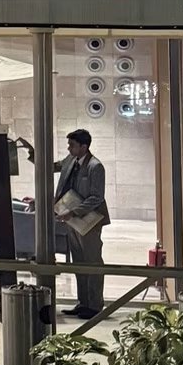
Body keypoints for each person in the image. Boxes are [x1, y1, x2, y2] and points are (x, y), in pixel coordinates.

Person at [54, 128, 109, 319]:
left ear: (84, 147)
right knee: (78, 261)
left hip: (89, 220)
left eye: (72, 145)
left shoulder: (95, 166)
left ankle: (94, 305)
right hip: (72, 220)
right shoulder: (71, 161)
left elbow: (96, 197)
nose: (69, 148)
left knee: (92, 261)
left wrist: (74, 211)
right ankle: (83, 302)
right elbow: (53, 166)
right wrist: (34, 154)